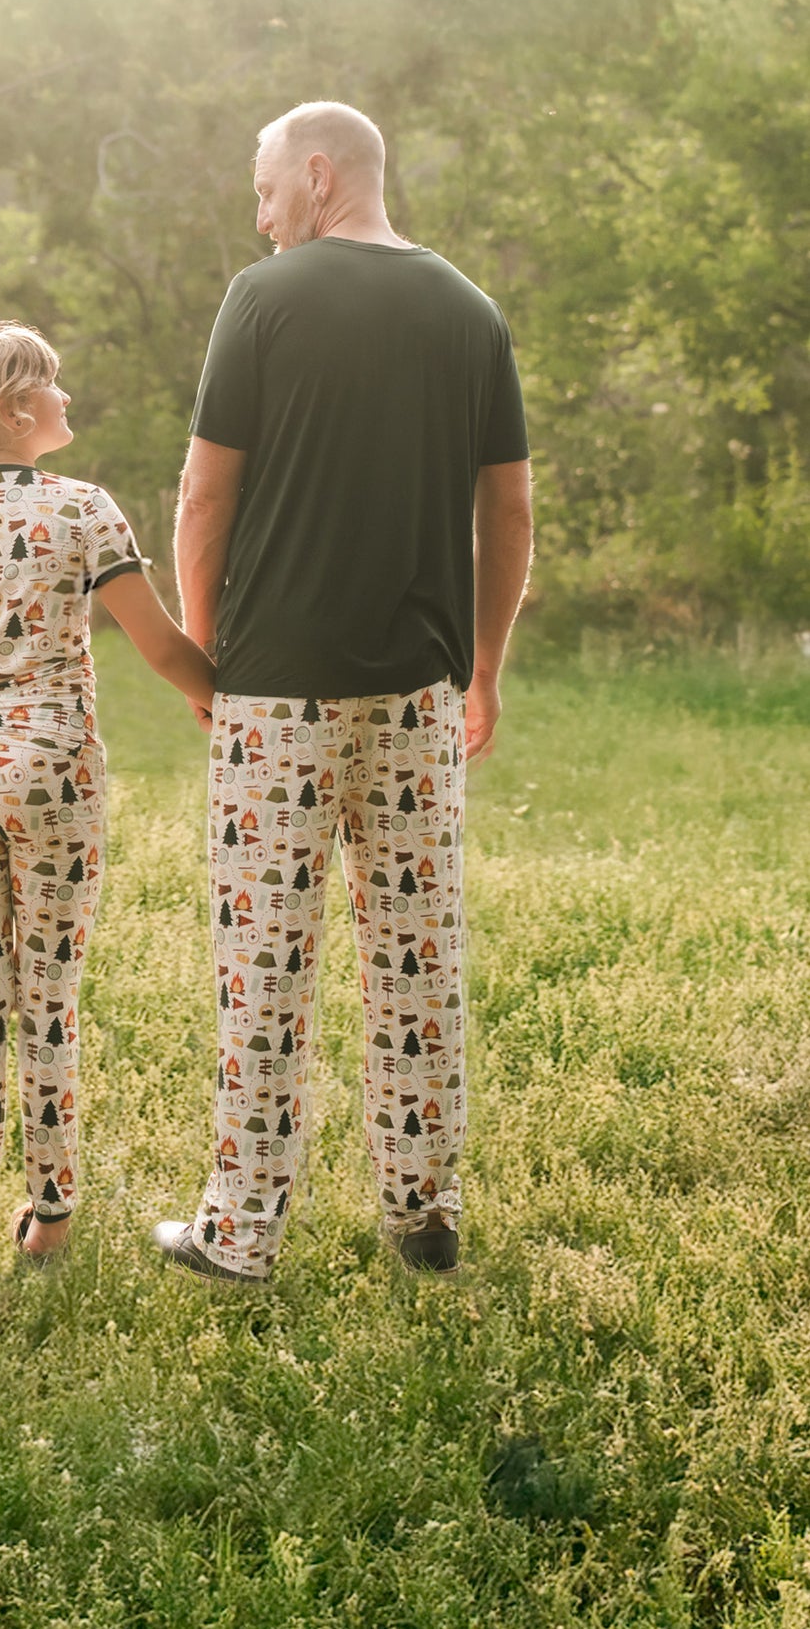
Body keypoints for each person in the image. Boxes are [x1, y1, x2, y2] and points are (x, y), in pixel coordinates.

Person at [152, 101, 534, 1287]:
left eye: (264, 190)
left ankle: (240, 1232)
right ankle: (422, 1217)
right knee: (416, 949)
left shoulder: (261, 300)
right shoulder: (469, 311)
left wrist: (204, 651)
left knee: (263, 955)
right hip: (417, 691)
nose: (260, 215)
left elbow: (204, 498)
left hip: (273, 695)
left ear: (316, 176)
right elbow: (507, 513)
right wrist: (484, 665)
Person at [0, 325, 215, 1276]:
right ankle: (50, 1217)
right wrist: (227, 699)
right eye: (50, 385)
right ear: (14, 410)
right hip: (53, 774)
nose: (66, 397)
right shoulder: (83, 510)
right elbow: (159, 641)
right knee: (46, 995)